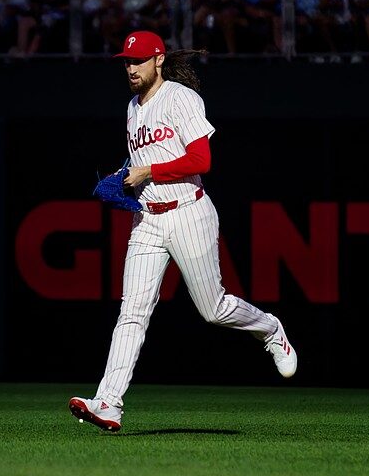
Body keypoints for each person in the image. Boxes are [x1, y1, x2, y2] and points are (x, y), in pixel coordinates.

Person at [69, 30, 297, 432]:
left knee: (213, 309)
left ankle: (270, 329)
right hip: (147, 219)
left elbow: (201, 160)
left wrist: (147, 171)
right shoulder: (132, 108)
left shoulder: (181, 98)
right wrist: (126, 177)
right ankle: (108, 403)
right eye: (127, 61)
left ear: (159, 60)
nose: (131, 68)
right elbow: (145, 162)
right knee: (132, 312)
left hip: (189, 212)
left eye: (139, 60)